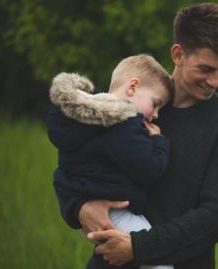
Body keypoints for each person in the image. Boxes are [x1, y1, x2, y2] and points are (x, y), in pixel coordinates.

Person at [48, 3, 218, 269]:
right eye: (206, 69)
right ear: (178, 54)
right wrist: (78, 208)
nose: (216, 81)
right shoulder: (134, 107)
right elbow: (76, 165)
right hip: (109, 262)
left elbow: (215, 216)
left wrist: (138, 248)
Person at [48, 54, 173, 269]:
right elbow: (149, 169)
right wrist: (159, 142)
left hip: (85, 207)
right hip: (116, 211)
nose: (156, 115)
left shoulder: (80, 120)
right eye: (156, 104)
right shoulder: (123, 123)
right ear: (132, 87)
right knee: (158, 261)